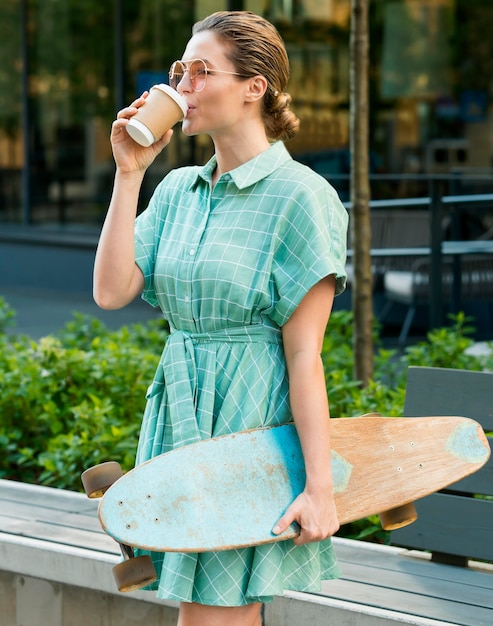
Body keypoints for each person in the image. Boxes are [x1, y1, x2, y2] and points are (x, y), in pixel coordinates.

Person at [94, 10, 348, 626]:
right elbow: (111, 290)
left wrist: (320, 488)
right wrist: (130, 175)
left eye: (201, 71)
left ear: (253, 87)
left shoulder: (302, 196)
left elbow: (303, 355)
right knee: (202, 609)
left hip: (248, 422)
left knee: (215, 612)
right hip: (181, 412)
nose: (183, 86)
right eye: (181, 70)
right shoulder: (179, 188)